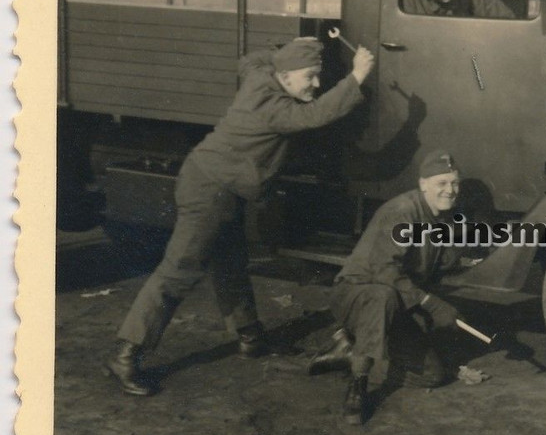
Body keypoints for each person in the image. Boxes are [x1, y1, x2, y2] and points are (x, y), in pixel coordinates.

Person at [108, 39, 375, 396]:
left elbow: (251, 60)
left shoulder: (261, 76)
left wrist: (290, 48)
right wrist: (356, 77)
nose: (316, 84)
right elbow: (314, 115)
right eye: (310, 77)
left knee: (231, 262)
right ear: (285, 77)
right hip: (209, 189)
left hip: (223, 186)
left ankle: (249, 337)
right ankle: (127, 354)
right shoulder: (273, 106)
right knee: (179, 271)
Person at [311, 150, 466, 426]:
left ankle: (350, 350)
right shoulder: (403, 211)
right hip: (358, 292)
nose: (450, 190)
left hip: (396, 298)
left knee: (433, 375)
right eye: (442, 183)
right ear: (423, 184)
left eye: (454, 183)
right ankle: (358, 384)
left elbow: (437, 264)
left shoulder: (442, 218)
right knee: (382, 296)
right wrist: (429, 303)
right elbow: (384, 271)